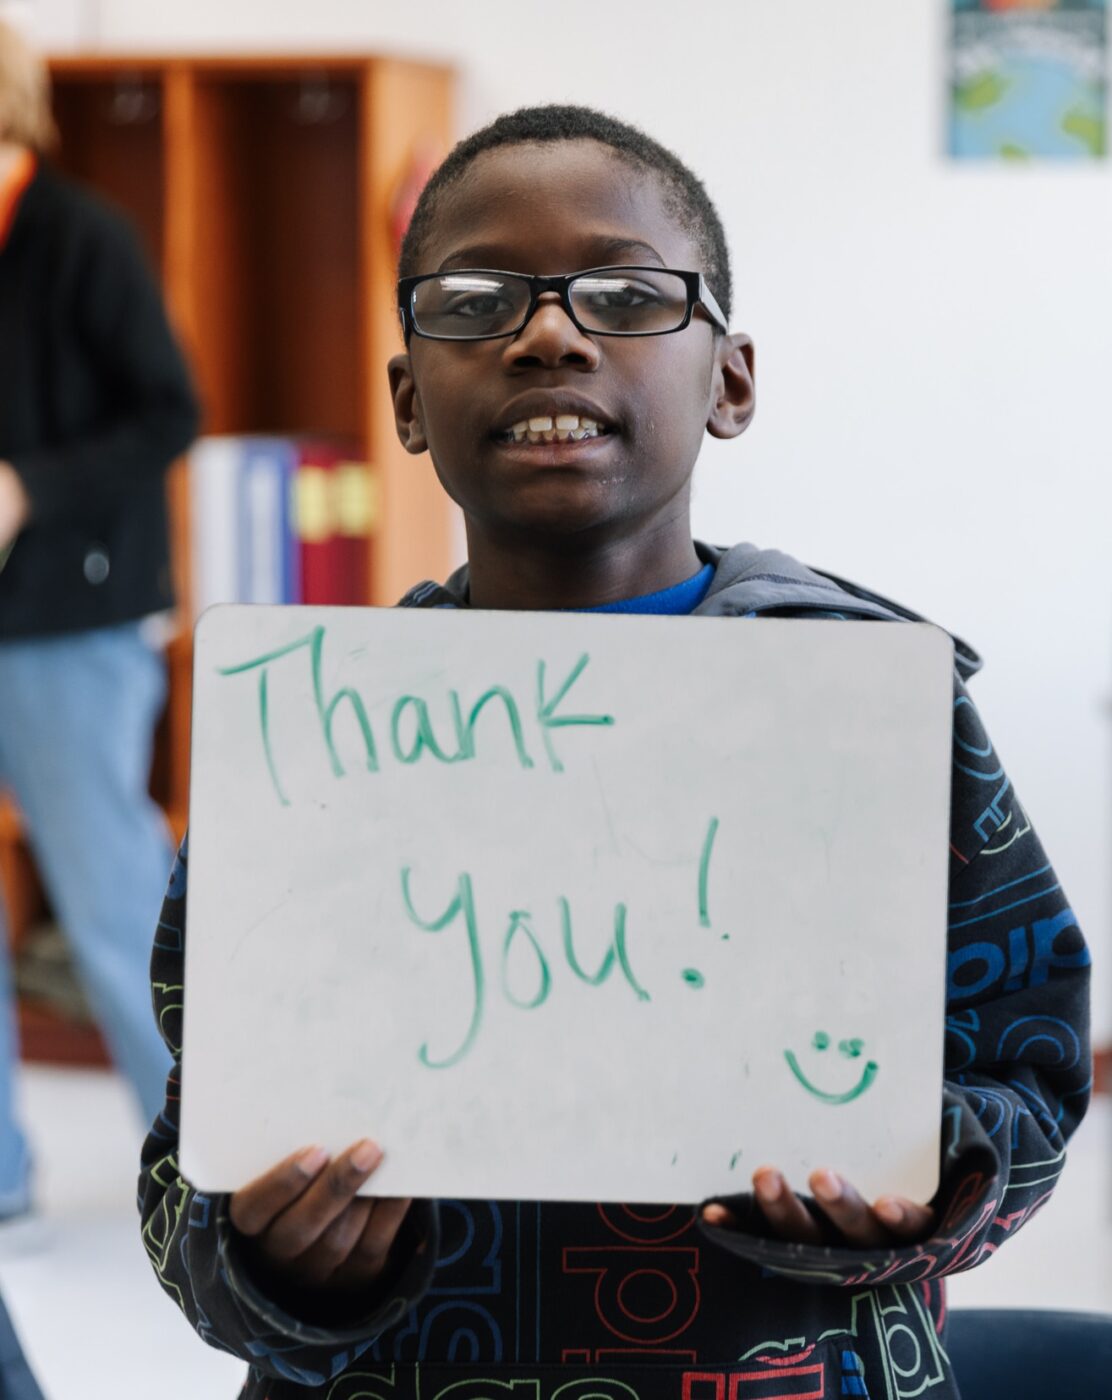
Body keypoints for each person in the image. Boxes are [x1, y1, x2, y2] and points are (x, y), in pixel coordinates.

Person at [138, 106, 1091, 1399]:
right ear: (410, 400)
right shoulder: (314, 732)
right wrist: (279, 1256)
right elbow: (194, 1140)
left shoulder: (871, 699)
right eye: (475, 299)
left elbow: (1027, 1062)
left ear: (731, 380)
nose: (546, 332)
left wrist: (922, 1166)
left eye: (628, 293)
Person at [0, 18, 199, 1215]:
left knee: (119, 904)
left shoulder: (80, 237)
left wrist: (29, 483)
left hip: (70, 628)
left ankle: (205, 1180)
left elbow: (169, 412)